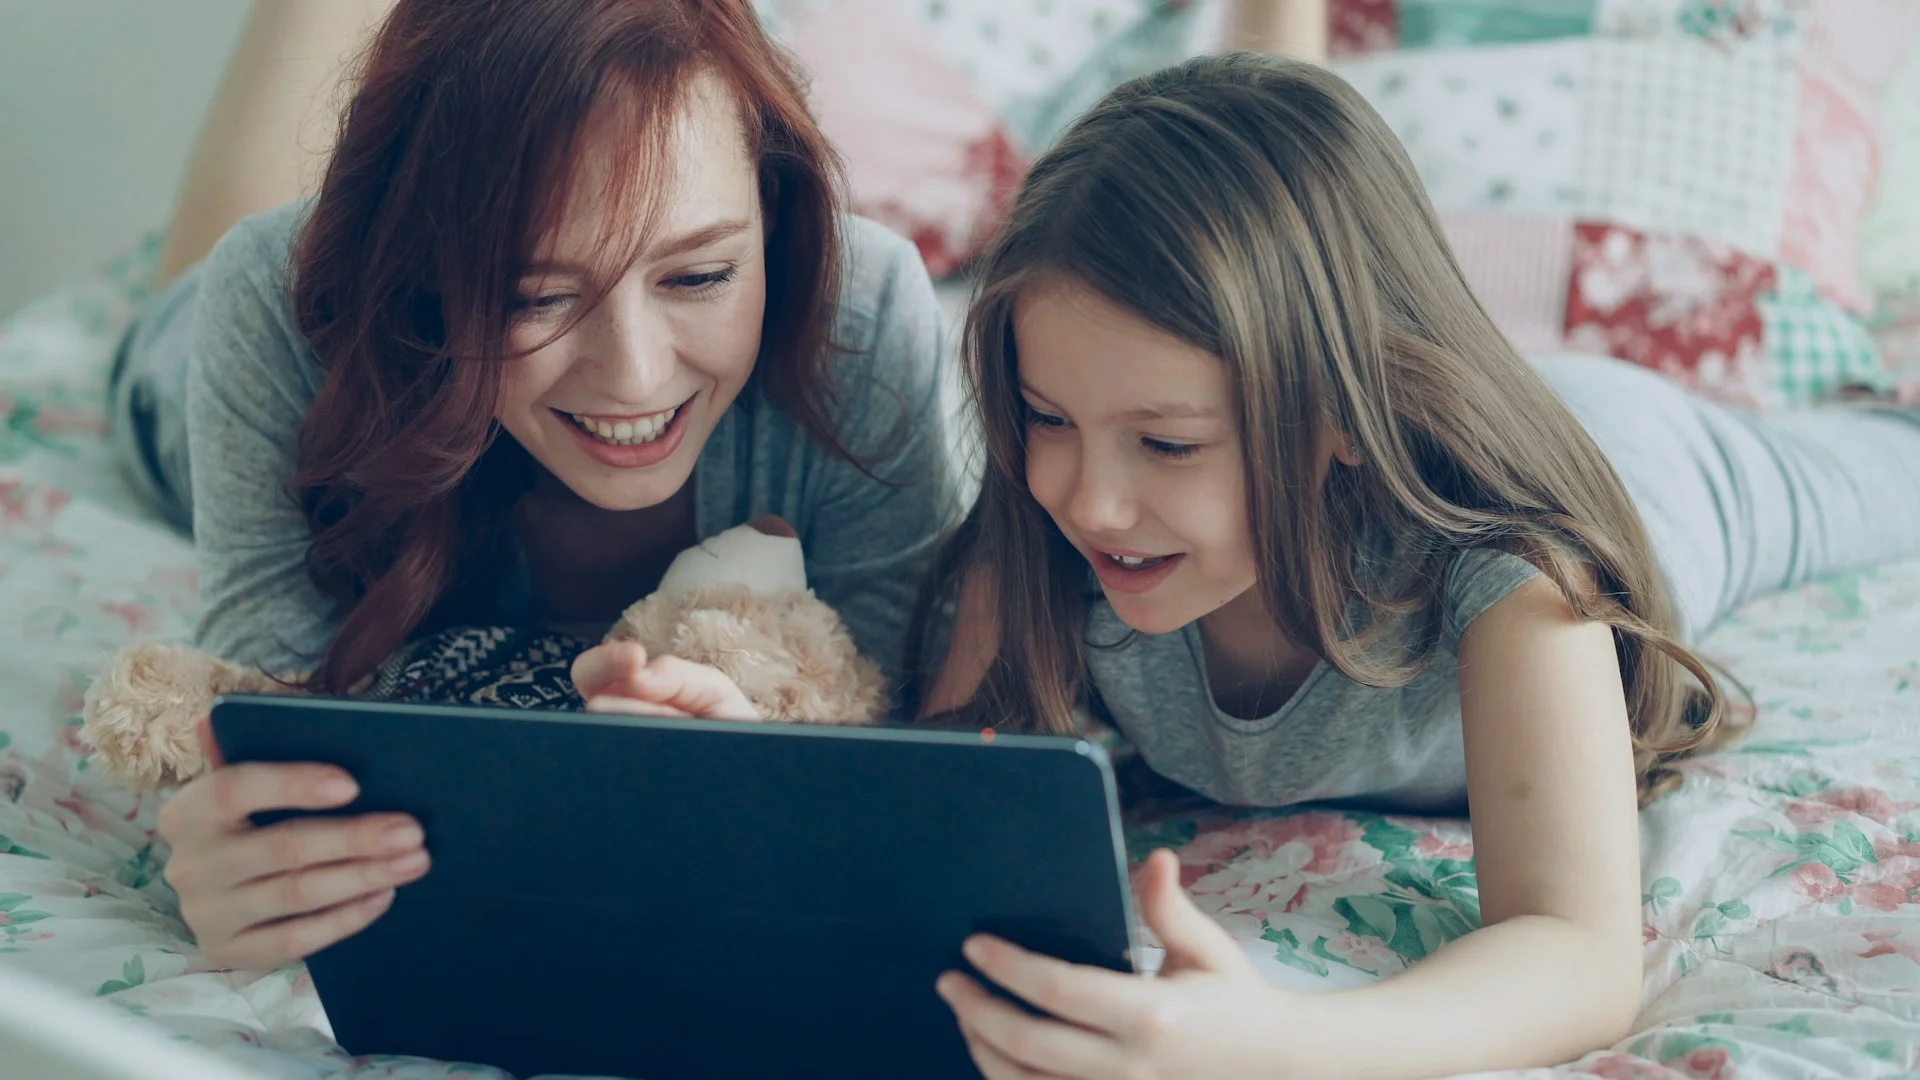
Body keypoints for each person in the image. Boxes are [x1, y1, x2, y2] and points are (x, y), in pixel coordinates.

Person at [913, 52, 1920, 1078]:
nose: (1091, 500)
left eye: (1168, 444)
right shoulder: (1039, 543)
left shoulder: (1521, 577)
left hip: (1647, 459)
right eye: (1048, 418)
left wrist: (1272, 1044)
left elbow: (1578, 956)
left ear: (1347, 416)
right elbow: (924, 834)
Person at [112, 0, 958, 971]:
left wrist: (772, 787)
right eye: (535, 295)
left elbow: (888, 735)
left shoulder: (868, 313)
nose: (636, 377)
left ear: (773, 210)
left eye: (700, 276)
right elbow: (274, 709)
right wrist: (245, 860)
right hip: (191, 358)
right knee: (218, 241)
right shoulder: (279, 306)